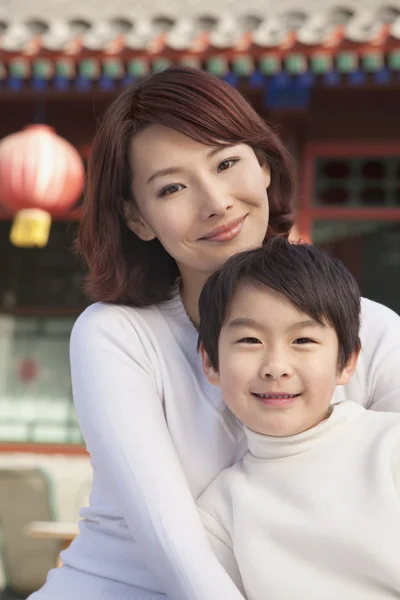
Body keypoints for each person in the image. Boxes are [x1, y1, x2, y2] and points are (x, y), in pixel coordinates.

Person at [28, 67, 400, 600]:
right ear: (138, 218)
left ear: (266, 167)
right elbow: (172, 541)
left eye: (227, 163)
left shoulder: (375, 331)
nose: (216, 201)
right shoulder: (117, 336)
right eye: (173, 187)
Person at [197, 237, 400, 600]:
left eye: (303, 340)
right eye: (249, 340)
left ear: (348, 361)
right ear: (210, 361)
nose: (276, 367)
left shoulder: (389, 448)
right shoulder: (220, 511)